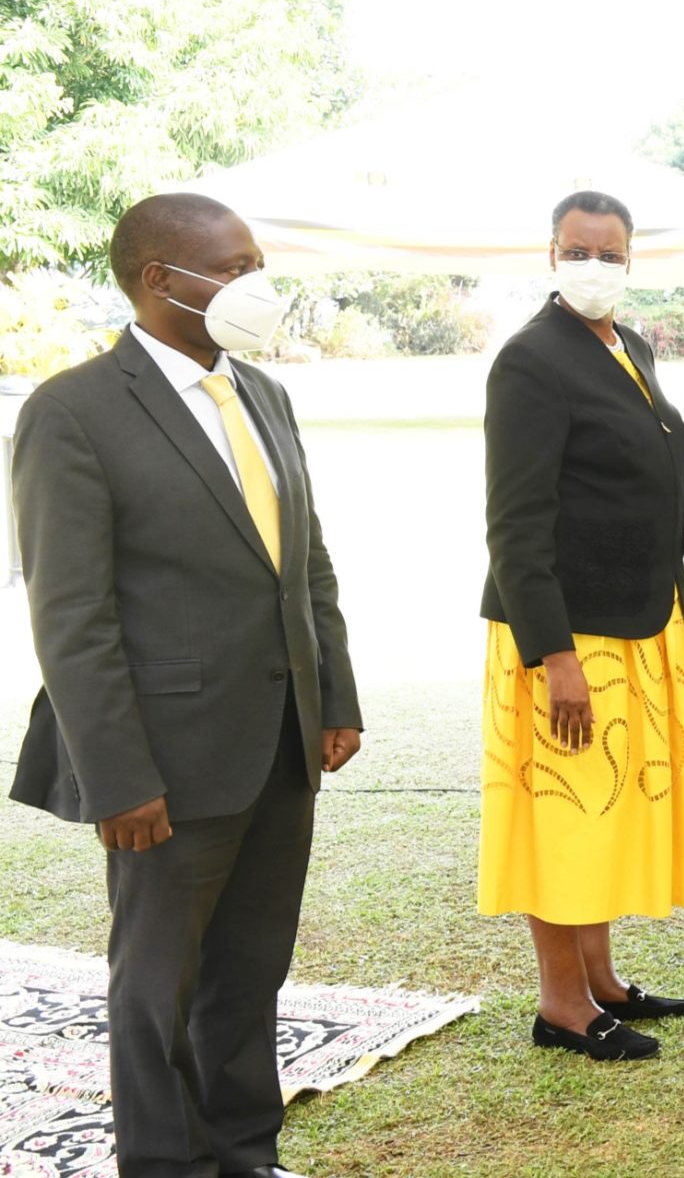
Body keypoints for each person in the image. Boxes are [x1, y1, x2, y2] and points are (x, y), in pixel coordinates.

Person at [10, 192, 362, 1178]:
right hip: (163, 759)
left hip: (282, 739)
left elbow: (306, 561)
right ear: (161, 280)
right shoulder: (72, 411)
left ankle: (246, 1154)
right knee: (157, 985)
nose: (259, 285)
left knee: (249, 975)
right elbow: (70, 617)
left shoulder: (264, 395)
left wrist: (334, 693)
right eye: (237, 266)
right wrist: (116, 775)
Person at [479, 190, 684, 1062]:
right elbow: (514, 524)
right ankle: (562, 1005)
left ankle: (604, 980)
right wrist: (556, 657)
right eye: (578, 251)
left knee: (606, 806)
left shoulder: (629, 344)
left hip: (640, 617)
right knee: (568, 811)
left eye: (609, 252)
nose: (594, 265)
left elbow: (644, 465)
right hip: (568, 633)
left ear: (630, 258)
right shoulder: (530, 361)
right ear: (551, 254)